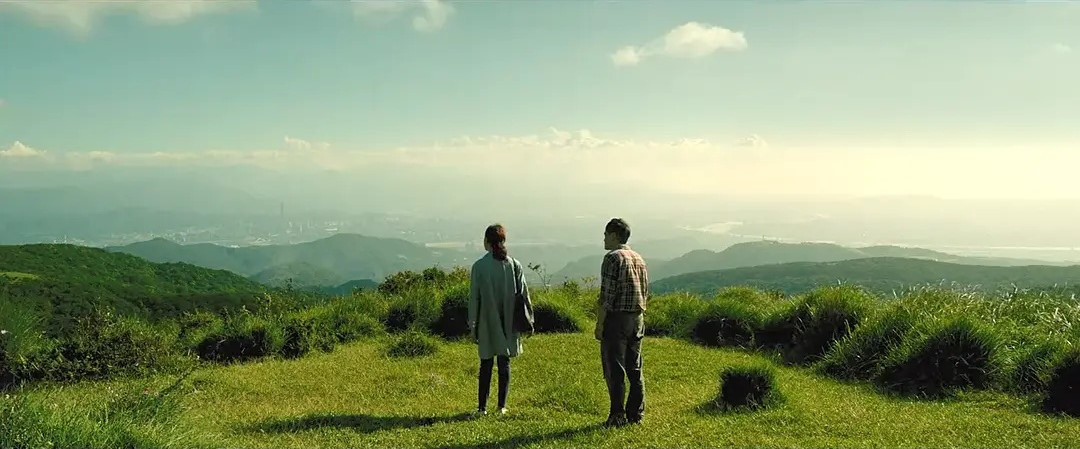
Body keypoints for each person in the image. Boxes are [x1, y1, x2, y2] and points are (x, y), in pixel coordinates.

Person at [468, 223, 531, 416]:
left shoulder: (479, 267)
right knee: (505, 364)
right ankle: (501, 406)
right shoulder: (514, 265)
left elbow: (474, 299)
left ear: (486, 242)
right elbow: (524, 295)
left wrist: (472, 325)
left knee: (486, 364)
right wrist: (530, 321)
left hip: (487, 321)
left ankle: (482, 408)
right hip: (509, 321)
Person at [595, 217, 649, 427]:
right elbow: (645, 291)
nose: (604, 238)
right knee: (635, 367)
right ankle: (636, 413)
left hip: (617, 319)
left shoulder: (612, 258)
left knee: (614, 368)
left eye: (606, 234)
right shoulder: (638, 258)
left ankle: (617, 414)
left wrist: (600, 324)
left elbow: (606, 296)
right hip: (637, 317)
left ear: (614, 235)